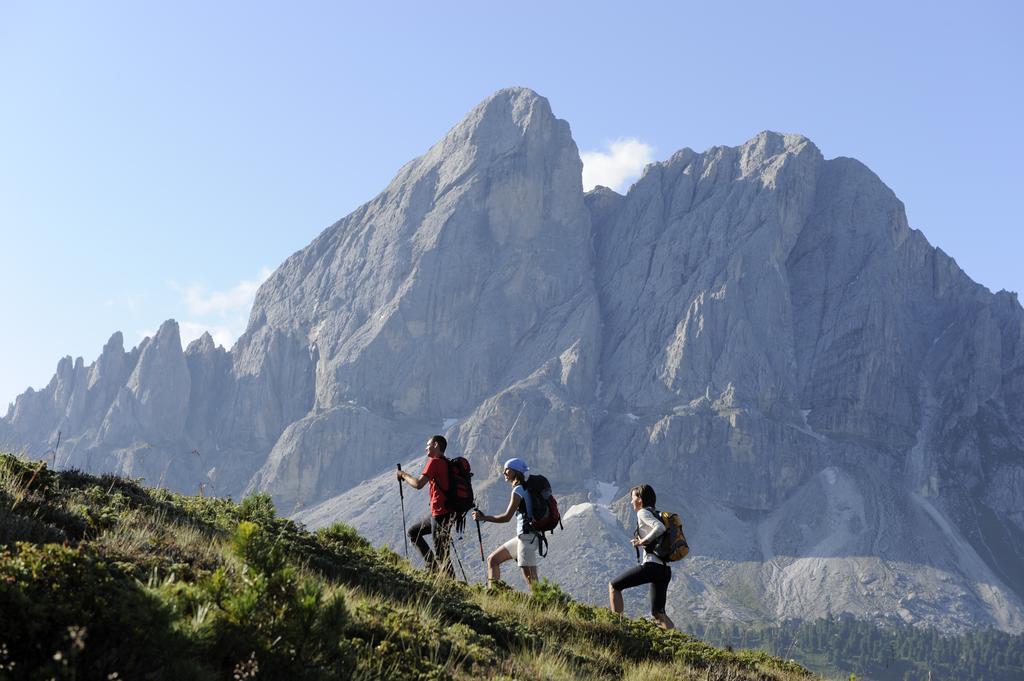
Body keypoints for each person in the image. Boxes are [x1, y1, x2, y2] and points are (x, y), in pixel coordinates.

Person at [608, 484, 675, 629]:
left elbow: (660, 528)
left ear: (639, 499)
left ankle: (617, 628)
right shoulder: (656, 513)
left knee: (614, 586)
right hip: (665, 570)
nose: (631, 502)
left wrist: (643, 541)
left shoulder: (642, 513)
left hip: (652, 566)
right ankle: (679, 644)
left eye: (632, 498)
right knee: (658, 613)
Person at [471, 457, 540, 588]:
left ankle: (545, 605)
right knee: (493, 559)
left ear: (515, 471)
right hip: (525, 537)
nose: (504, 473)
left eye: (506, 470)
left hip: (527, 538)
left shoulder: (519, 490)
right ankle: (492, 595)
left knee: (532, 580)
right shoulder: (526, 488)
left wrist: (483, 518)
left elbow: (506, 517)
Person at [396, 435, 454, 577]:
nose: (426, 448)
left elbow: (418, 484)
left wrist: (402, 474)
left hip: (441, 514)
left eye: (428, 445)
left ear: (435, 445)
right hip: (445, 513)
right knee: (414, 532)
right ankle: (432, 567)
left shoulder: (434, 462)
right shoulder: (447, 463)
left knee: (441, 554)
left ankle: (452, 585)